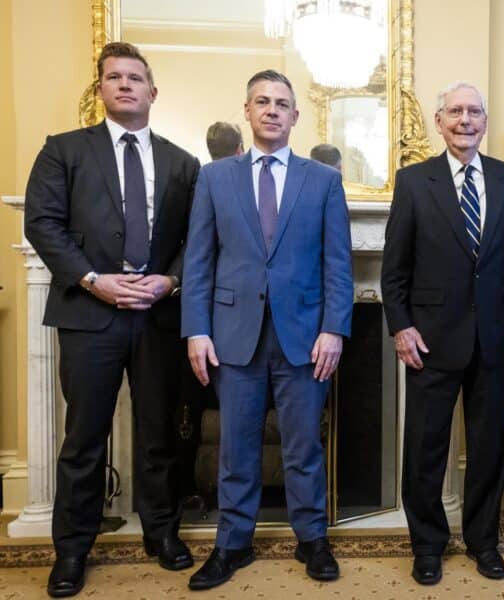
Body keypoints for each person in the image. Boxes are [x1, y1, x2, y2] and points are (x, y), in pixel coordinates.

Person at [24, 41, 200, 598]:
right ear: (100, 89)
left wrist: (170, 280)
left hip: (157, 317)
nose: (124, 85)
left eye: (134, 77)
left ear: (152, 91)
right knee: (83, 440)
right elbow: (42, 223)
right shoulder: (64, 150)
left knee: (158, 435)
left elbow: (198, 239)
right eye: (113, 77)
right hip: (88, 315)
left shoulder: (183, 162)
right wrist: (93, 280)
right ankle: (72, 551)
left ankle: (162, 534)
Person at [182, 69, 353, 590]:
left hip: (305, 336)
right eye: (262, 101)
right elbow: (199, 260)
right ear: (248, 111)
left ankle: (312, 539)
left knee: (304, 446)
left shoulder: (322, 181)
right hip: (233, 334)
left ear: (295, 116)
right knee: (237, 447)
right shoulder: (215, 178)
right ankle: (232, 544)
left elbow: (338, 264)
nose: (272, 110)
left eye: (282, 102)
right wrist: (196, 329)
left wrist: (335, 329)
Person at [380, 81, 504, 585]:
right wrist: (401, 327)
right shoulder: (413, 181)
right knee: (426, 447)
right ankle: (427, 543)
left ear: (484, 122)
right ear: (439, 121)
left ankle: (483, 541)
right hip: (430, 339)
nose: (465, 120)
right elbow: (394, 269)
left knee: (488, 447)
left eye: (474, 112)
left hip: (494, 339)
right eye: (455, 112)